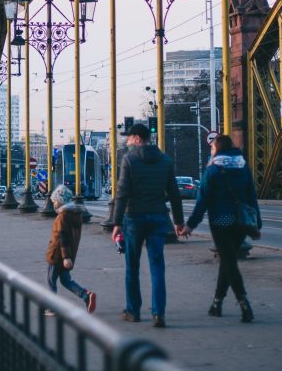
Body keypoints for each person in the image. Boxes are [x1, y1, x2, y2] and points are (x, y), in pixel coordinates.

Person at [180, 134, 261, 323]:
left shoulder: (213, 169)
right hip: (241, 223)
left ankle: (244, 303)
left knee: (229, 263)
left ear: (217, 149)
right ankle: (217, 303)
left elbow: (203, 201)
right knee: (228, 260)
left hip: (221, 221)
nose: (211, 151)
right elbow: (251, 196)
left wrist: (191, 225)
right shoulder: (243, 166)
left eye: (212, 148)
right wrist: (257, 221)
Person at [111, 122, 184, 328]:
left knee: (132, 267)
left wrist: (116, 222)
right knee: (157, 267)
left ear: (136, 138)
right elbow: (174, 194)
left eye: (129, 138)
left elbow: (122, 193)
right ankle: (158, 313)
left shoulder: (129, 160)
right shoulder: (165, 161)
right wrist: (178, 222)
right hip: (158, 218)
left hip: (133, 218)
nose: (127, 141)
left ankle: (133, 311)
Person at [45, 184, 96, 313]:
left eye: (55, 201)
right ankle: (86, 295)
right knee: (65, 280)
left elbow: (62, 237)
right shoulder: (75, 215)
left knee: (51, 281)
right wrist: (68, 256)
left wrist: (65, 257)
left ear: (60, 200)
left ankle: (52, 307)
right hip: (68, 255)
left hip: (57, 255)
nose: (54, 204)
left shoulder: (62, 217)